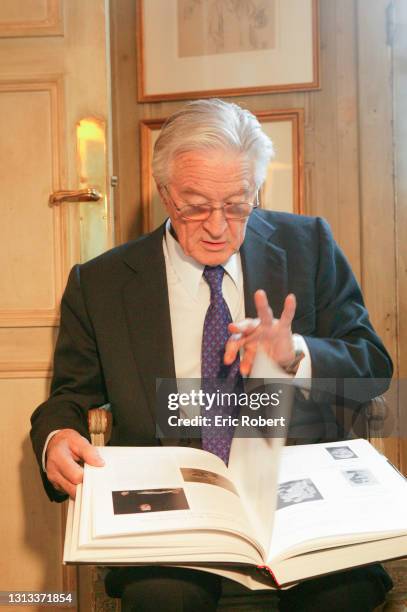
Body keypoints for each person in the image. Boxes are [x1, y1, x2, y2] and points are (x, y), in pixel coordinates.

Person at [30, 99, 393, 611]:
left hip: (296, 496)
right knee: (163, 597)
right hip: (173, 507)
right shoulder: (102, 284)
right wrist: (56, 439)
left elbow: (372, 365)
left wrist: (297, 354)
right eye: (195, 205)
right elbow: (67, 397)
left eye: (238, 204)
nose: (218, 226)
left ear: (257, 190)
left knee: (343, 593)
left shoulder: (308, 245)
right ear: (163, 194)